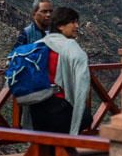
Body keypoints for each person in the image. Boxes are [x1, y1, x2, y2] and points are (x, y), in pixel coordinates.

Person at [30, 7, 92, 135]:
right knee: (86, 117)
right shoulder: (70, 46)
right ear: (60, 26)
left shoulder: (38, 44)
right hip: (58, 108)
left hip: (35, 109)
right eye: (73, 22)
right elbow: (82, 86)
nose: (77, 26)